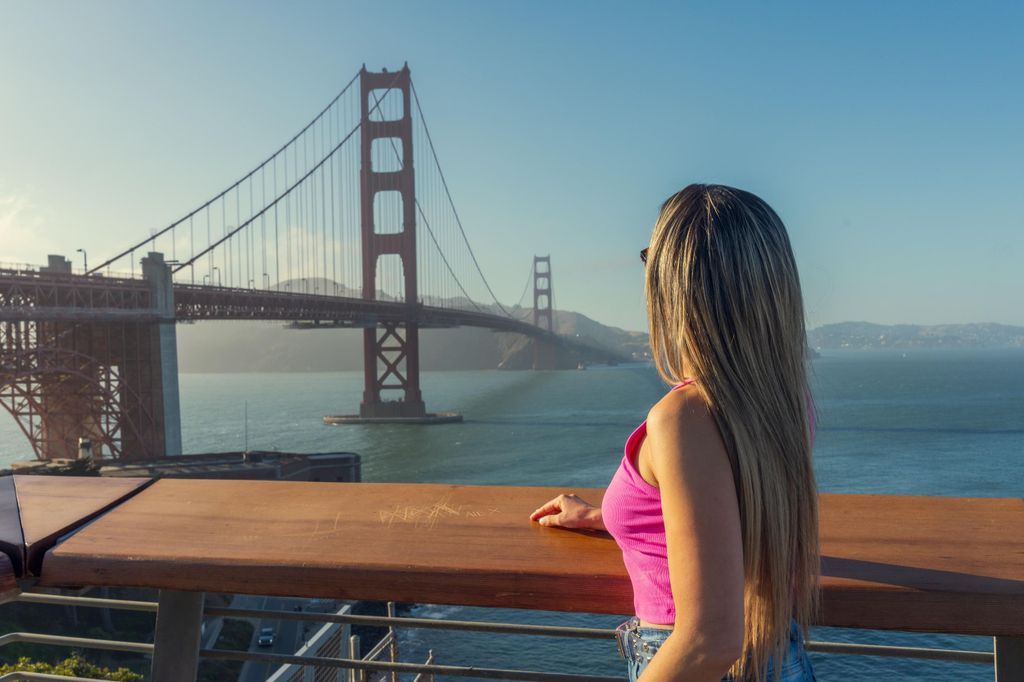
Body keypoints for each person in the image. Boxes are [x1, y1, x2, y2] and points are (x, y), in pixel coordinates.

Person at [529, 184, 820, 682]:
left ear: (675, 283)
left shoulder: (683, 418)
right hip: (778, 657)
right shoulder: (785, 402)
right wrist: (612, 516)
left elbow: (710, 640)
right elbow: (731, 512)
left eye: (651, 259)